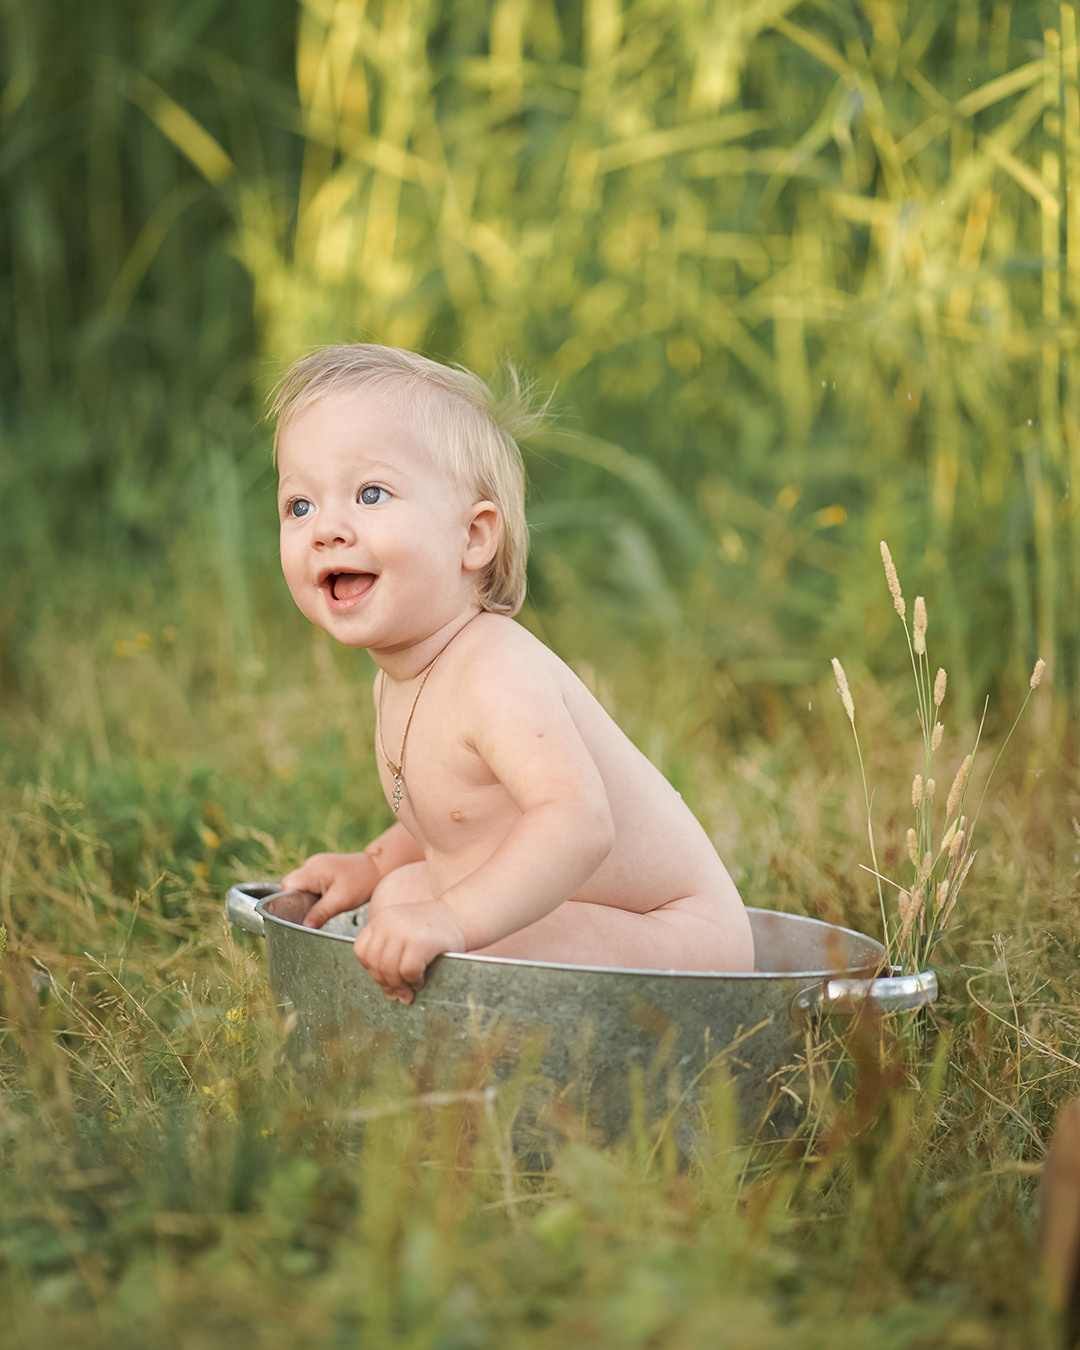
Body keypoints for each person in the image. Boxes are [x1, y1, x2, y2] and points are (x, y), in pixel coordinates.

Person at [273, 344, 754, 1003]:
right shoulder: (398, 677)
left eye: (370, 494)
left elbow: (578, 822)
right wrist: (371, 864)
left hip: (677, 940)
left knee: (453, 932)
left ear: (474, 537)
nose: (326, 528)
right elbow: (458, 818)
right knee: (399, 896)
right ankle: (459, 1050)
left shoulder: (494, 670)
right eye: (299, 506)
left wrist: (453, 918)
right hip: (584, 918)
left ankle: (481, 1060)